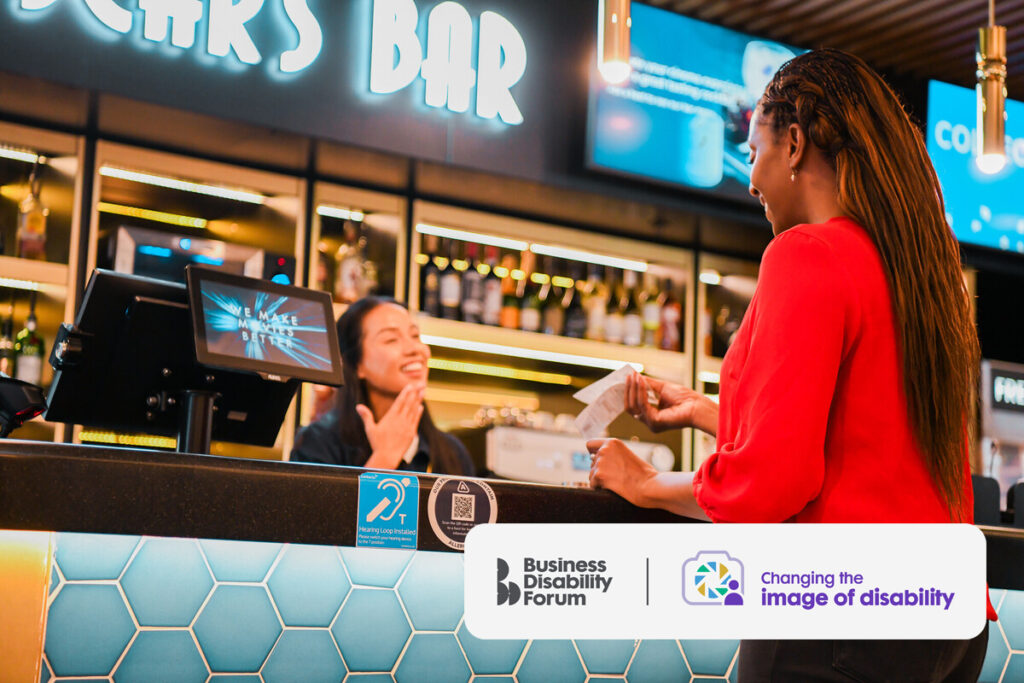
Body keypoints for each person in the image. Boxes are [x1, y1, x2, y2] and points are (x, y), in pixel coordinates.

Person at [587, 49, 991, 682]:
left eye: (752, 154)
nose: (750, 180)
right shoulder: (918, 273)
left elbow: (774, 484)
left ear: (795, 143)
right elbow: (869, 449)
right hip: (948, 621)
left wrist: (643, 484)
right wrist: (710, 414)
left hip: (841, 615)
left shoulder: (806, 253)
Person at [291, 296, 474, 475]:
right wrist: (384, 458)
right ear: (356, 365)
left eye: (415, 335)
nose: (415, 349)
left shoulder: (452, 452)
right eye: (391, 339)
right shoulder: (318, 443)